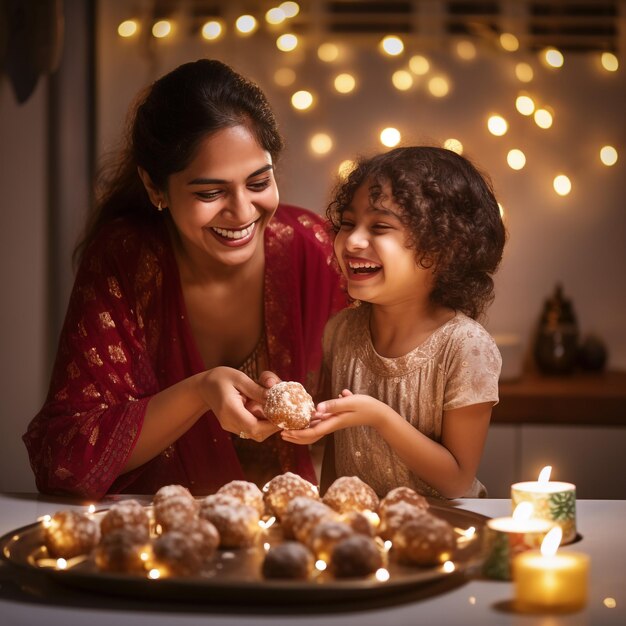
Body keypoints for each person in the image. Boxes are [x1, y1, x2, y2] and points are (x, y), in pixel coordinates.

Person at [23, 59, 346, 499]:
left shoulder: (313, 247)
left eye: (258, 182)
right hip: (158, 541)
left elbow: (382, 409)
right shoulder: (126, 259)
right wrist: (199, 392)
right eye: (209, 193)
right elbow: (64, 460)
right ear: (155, 188)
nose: (242, 211)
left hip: (298, 542)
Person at [281, 146, 506, 499]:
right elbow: (336, 460)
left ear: (440, 250)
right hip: (363, 536)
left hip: (443, 533)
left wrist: (378, 417)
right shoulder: (340, 331)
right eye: (348, 223)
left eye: (380, 226)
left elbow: (458, 481)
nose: (352, 240)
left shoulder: (465, 347)